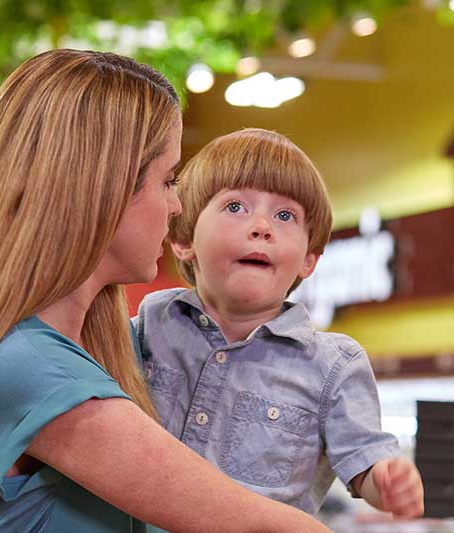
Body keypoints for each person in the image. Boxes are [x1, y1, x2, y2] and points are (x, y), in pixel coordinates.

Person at [0, 51, 330, 532]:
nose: (177, 205)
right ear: (104, 188)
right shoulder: (34, 371)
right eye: (168, 179)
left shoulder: (62, 355)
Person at [134, 128, 425, 519]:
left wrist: (387, 478)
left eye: (285, 215)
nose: (261, 226)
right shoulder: (152, 324)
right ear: (184, 239)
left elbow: (363, 459)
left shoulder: (333, 365)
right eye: (236, 207)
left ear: (309, 258)